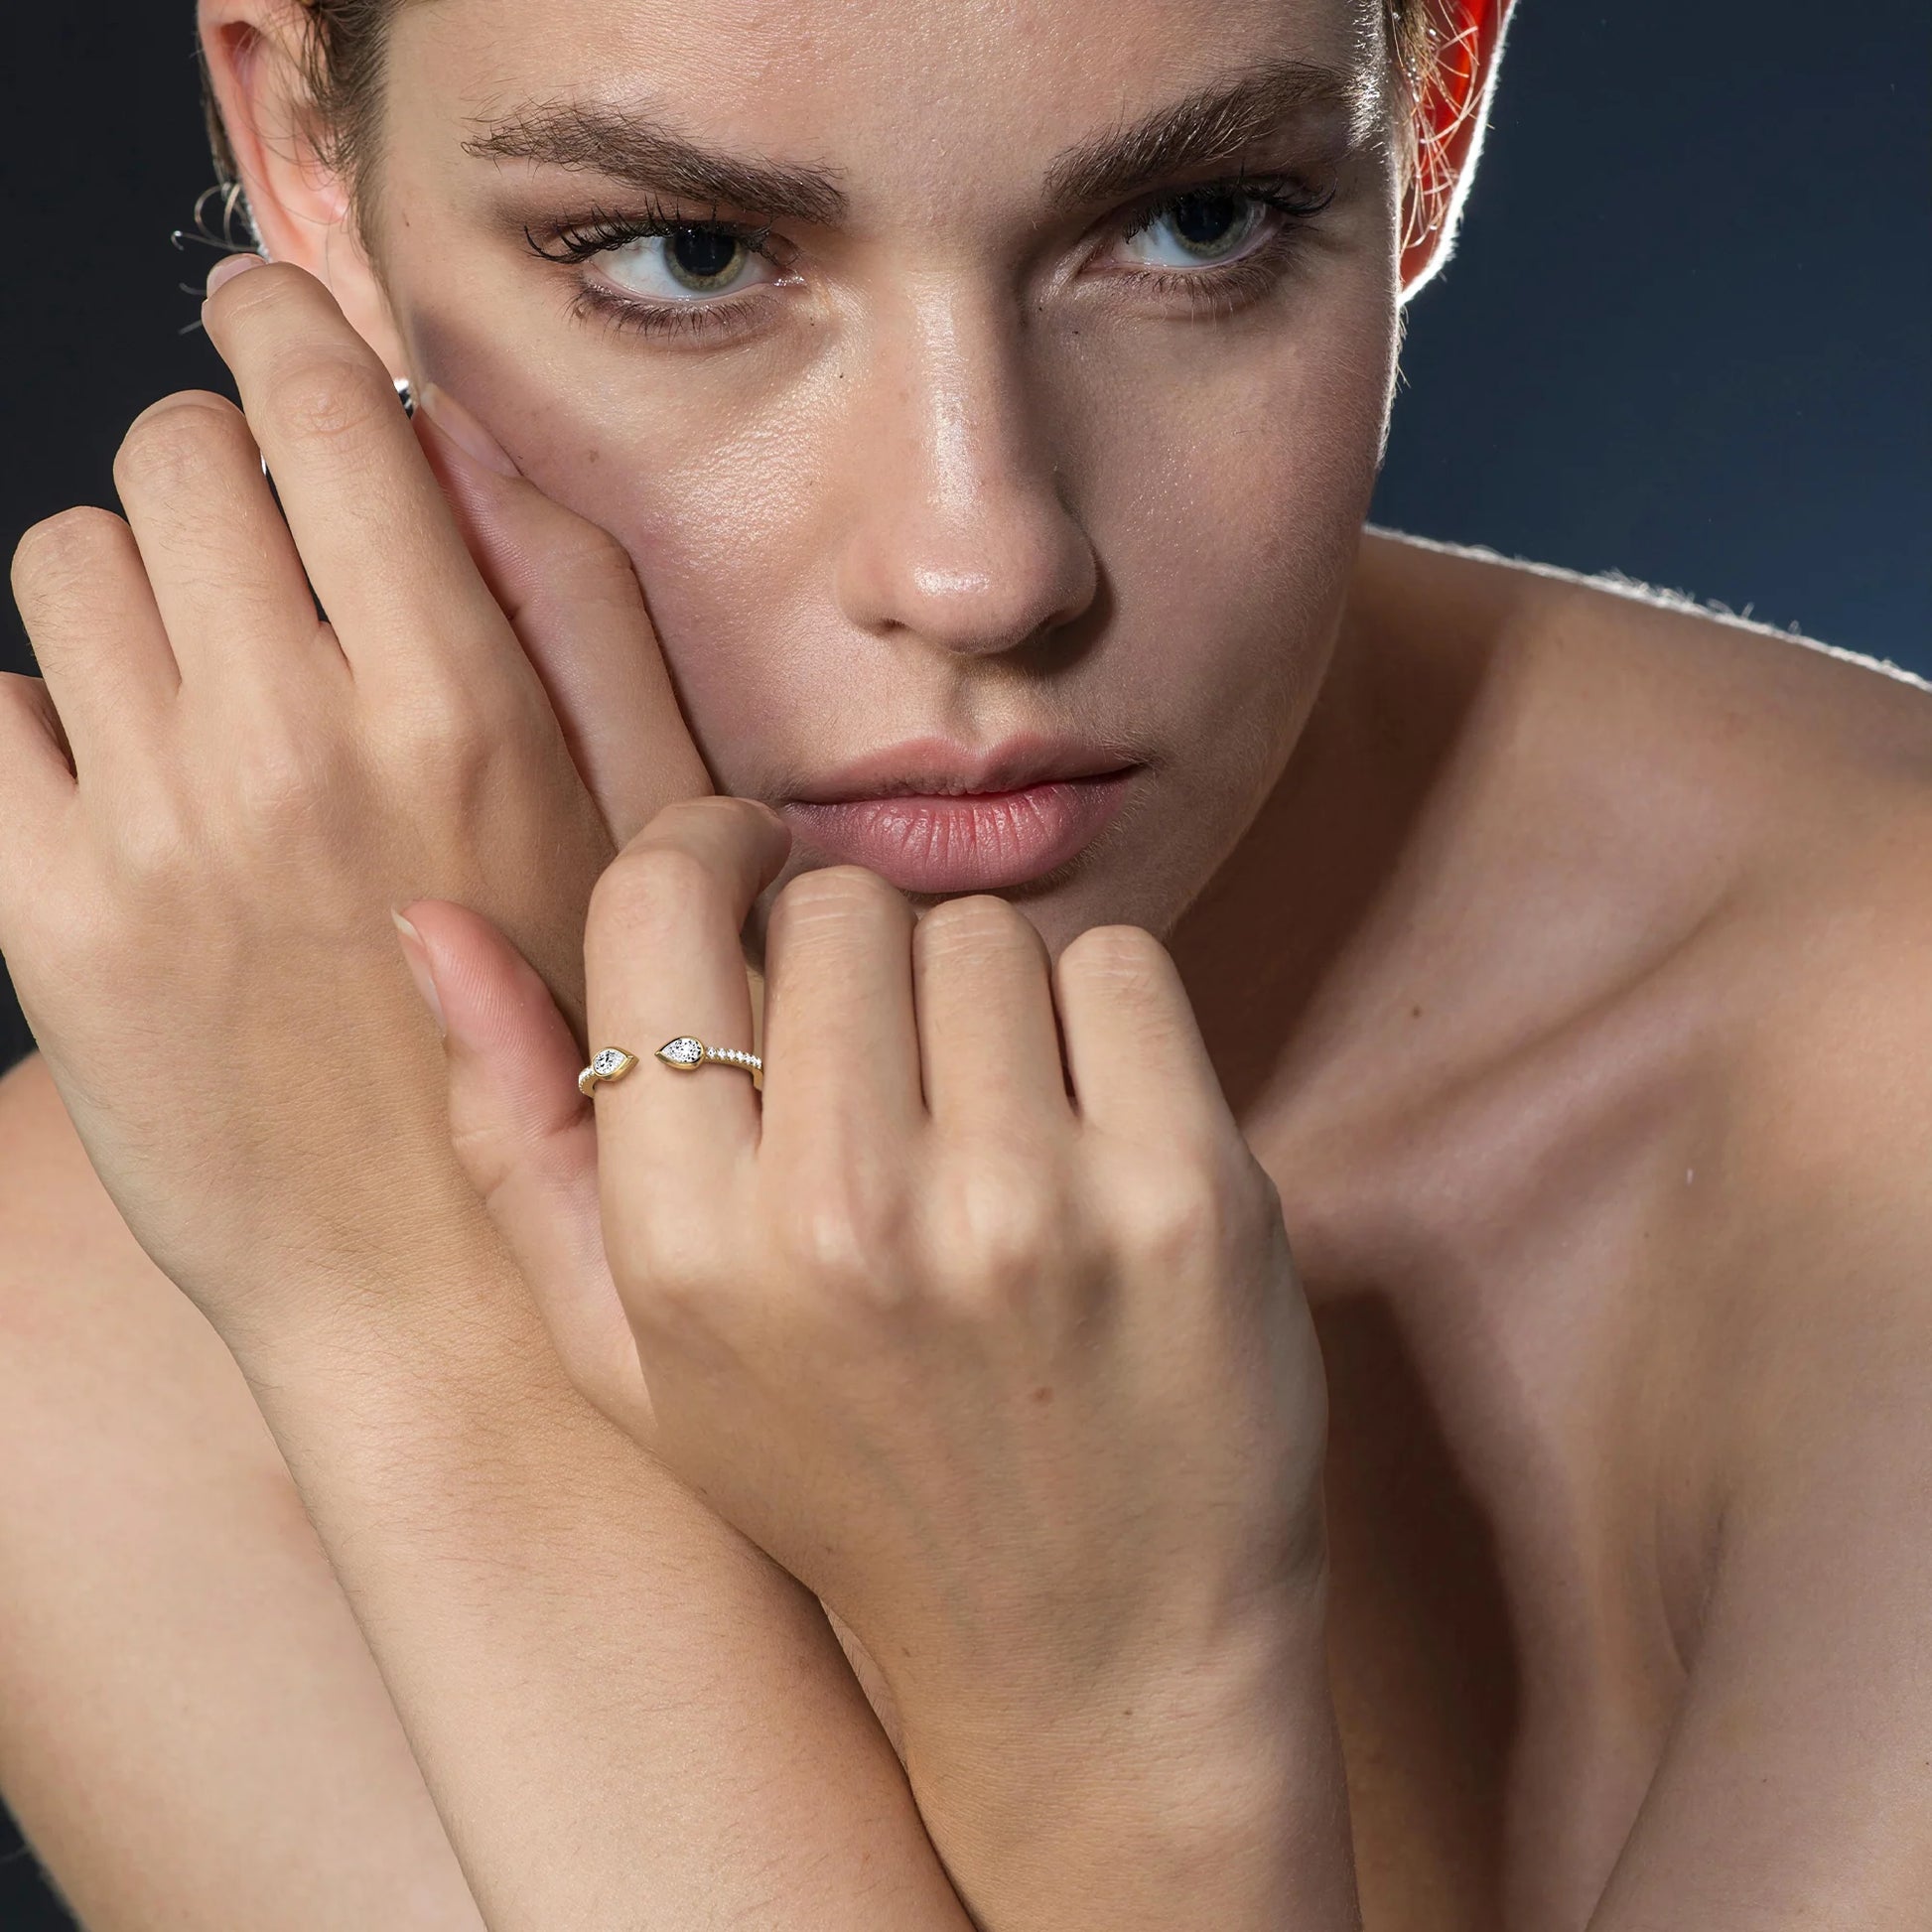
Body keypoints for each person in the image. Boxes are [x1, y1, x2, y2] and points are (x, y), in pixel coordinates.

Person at [0, 0, 1927, 1923]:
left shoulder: (1882, 1076)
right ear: (310, 156)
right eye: (691, 256)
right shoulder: (85, 1324)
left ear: (1429, 113)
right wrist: (437, 1344)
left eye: (1194, 219)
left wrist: (1140, 1734)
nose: (980, 566)